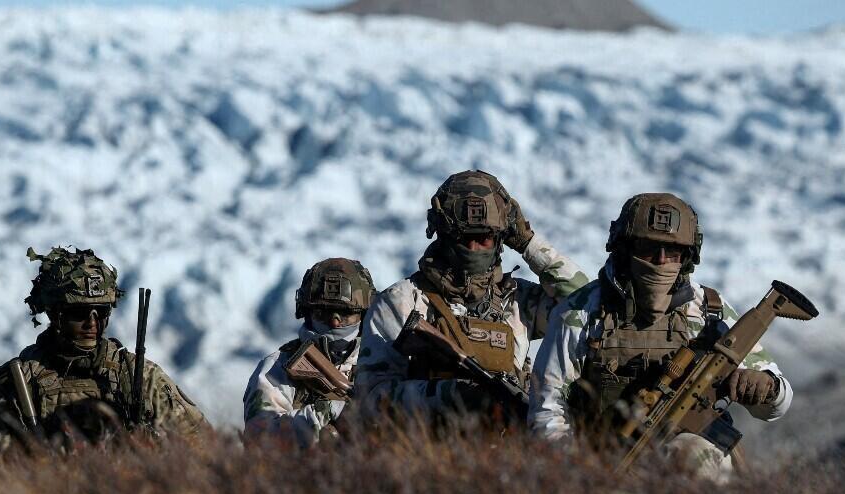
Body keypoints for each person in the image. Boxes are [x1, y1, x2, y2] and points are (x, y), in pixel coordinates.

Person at [529, 193, 792, 481]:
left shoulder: (708, 312)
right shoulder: (581, 312)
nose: (661, 261)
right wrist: (576, 473)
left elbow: (777, 404)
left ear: (687, 258)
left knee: (696, 455)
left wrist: (766, 387)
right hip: (604, 462)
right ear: (624, 249)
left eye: (673, 252)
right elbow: (547, 408)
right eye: (648, 249)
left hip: (692, 463)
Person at [353, 170, 588, 427]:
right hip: (427, 452)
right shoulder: (401, 302)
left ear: (501, 239)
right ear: (443, 234)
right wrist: (447, 395)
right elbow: (370, 399)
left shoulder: (519, 300)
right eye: (464, 238)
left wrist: (527, 242)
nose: (474, 248)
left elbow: (582, 301)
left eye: (484, 238)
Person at [0, 247, 207, 442]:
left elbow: (202, 443)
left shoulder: (138, 375)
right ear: (55, 314)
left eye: (101, 311)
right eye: (80, 313)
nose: (92, 322)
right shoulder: (18, 380)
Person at [243, 258, 374, 447]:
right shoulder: (277, 368)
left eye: (345, 314)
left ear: (364, 314)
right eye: (324, 313)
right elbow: (258, 440)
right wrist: (327, 412)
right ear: (307, 312)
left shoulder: (383, 360)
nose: (335, 323)